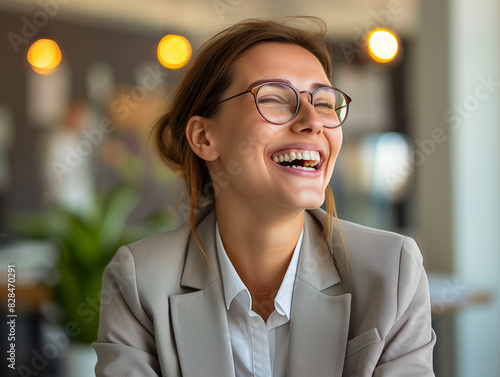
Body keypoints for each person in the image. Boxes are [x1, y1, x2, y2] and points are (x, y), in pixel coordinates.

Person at [93, 17, 436, 377]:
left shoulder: (391, 272)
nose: (313, 121)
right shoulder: (138, 281)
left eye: (324, 102)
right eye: (274, 98)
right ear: (205, 138)